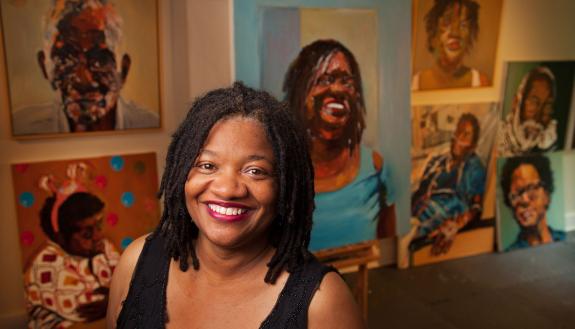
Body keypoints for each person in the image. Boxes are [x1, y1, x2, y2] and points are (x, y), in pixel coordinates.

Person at [106, 82, 365, 329]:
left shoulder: (322, 301)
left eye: (255, 171)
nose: (227, 189)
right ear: (182, 171)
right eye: (207, 166)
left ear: (284, 186)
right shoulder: (135, 262)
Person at [283, 39, 395, 251]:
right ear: (300, 92)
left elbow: (385, 241)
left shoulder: (375, 167)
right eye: (324, 80)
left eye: (347, 82)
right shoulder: (278, 171)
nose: (337, 89)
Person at [12, 0, 158, 135]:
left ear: (124, 71)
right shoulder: (22, 126)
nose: (83, 80)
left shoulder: (151, 125)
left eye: (100, 59)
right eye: (66, 57)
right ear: (45, 66)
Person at [25, 164, 119, 328]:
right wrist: (116, 296)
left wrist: (113, 297)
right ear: (61, 237)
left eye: (99, 226)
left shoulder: (103, 246)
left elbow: (130, 283)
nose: (98, 236)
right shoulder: (46, 264)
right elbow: (84, 311)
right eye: (87, 234)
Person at [409, 113, 486, 255]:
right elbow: (419, 188)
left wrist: (457, 224)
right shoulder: (438, 161)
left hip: (431, 223)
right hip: (413, 214)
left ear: (473, 145)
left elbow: (475, 206)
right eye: (458, 131)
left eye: (466, 135)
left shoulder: (474, 167)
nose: (459, 138)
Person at [412, 0, 489, 91]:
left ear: (470, 35)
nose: (455, 33)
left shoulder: (481, 82)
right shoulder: (414, 83)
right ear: (433, 35)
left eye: (463, 25)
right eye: (446, 24)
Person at [500, 155, 565, 251]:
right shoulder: (509, 257)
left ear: (547, 196)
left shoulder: (566, 239)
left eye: (531, 188)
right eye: (516, 194)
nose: (524, 200)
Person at [498, 67, 558, 156]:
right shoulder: (498, 137)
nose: (538, 116)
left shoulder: (549, 146)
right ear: (516, 102)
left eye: (547, 106)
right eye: (534, 102)